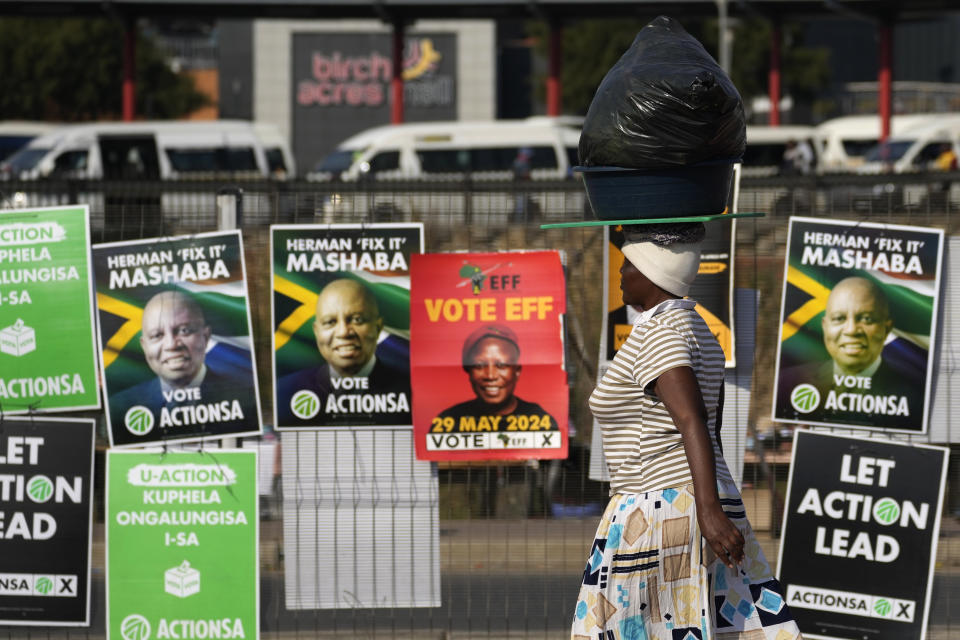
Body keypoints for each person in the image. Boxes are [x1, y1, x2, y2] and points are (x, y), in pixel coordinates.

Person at [572, 224, 803, 640]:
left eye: (628, 266)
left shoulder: (659, 332)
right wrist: (711, 505)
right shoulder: (695, 328)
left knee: (645, 629)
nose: (621, 274)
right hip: (692, 498)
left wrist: (708, 512)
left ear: (653, 275)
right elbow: (709, 426)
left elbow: (693, 420)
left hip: (661, 507)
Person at [776, 276, 925, 428]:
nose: (851, 330)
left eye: (866, 319)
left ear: (886, 329)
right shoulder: (787, 384)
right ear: (825, 326)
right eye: (839, 318)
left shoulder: (917, 398)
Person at [108, 290, 258, 438]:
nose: (171, 345)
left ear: (205, 337)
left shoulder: (247, 402)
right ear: (144, 346)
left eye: (184, 331)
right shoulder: (119, 409)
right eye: (156, 335)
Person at [276, 278, 411, 426]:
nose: (343, 332)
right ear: (316, 331)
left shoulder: (412, 393)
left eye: (357, 320)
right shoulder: (283, 394)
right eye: (330, 322)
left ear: (378, 328)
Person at [435, 324, 556, 430]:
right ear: (469, 371)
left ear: (517, 371)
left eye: (501, 365)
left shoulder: (540, 420)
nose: (490, 375)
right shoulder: (448, 422)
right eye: (479, 365)